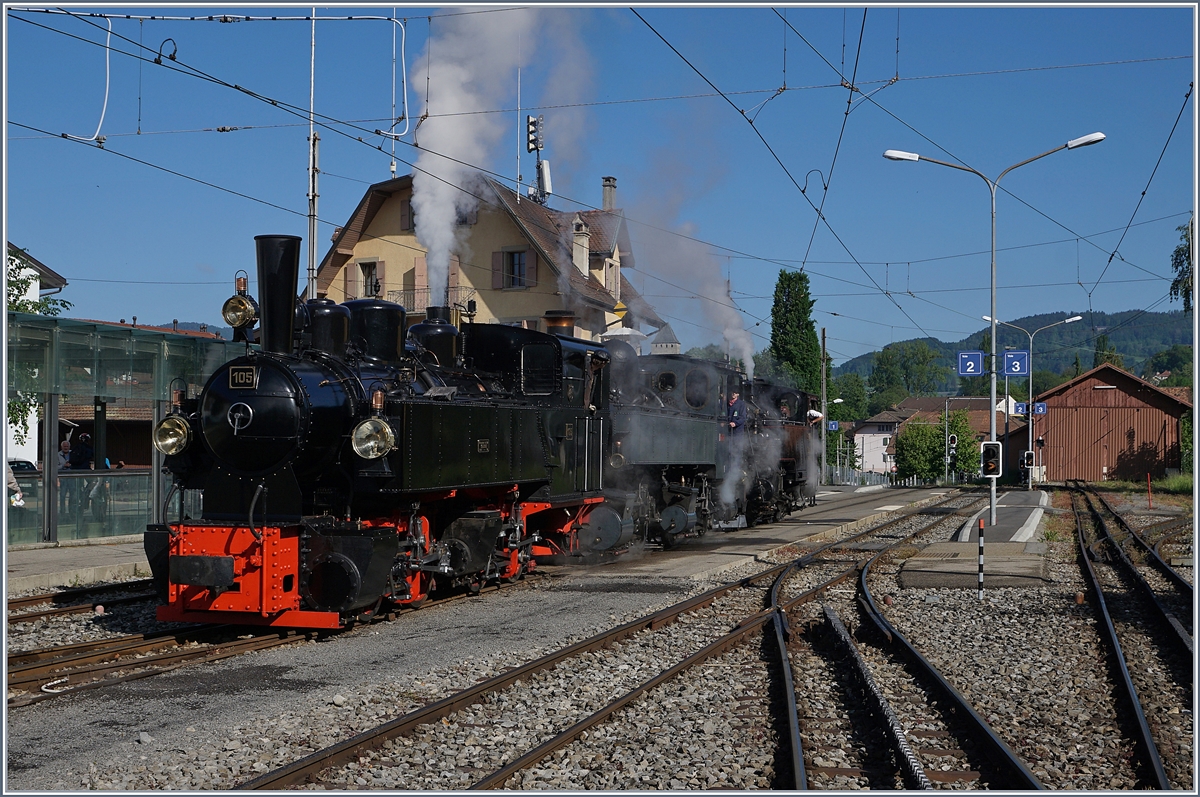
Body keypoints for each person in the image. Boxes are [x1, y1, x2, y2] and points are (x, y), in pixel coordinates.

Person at [56, 440, 72, 515]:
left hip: (72, 477)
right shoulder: (57, 455)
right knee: (62, 495)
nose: (66, 448)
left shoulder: (72, 454)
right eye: (64, 446)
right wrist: (63, 466)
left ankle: (71, 511)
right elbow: (54, 467)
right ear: (61, 447)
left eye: (67, 446)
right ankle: (62, 511)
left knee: (73, 496)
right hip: (63, 478)